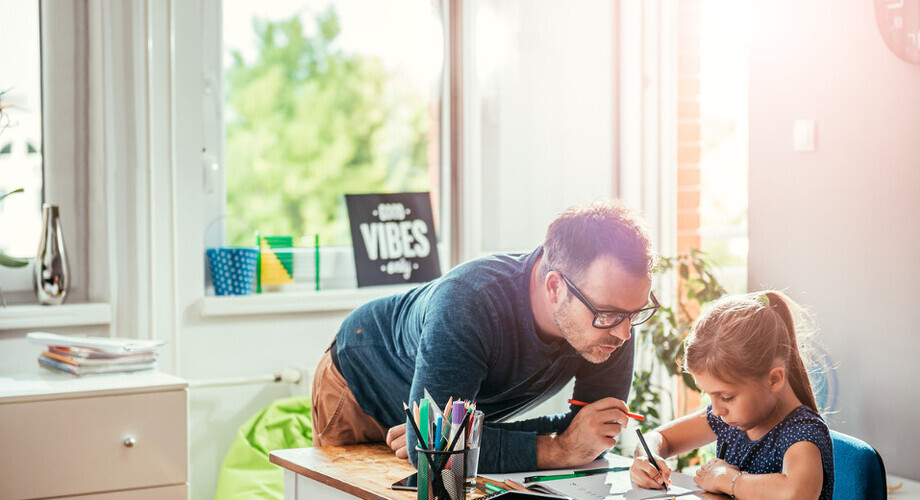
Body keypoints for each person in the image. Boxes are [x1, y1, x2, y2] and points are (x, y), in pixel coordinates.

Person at [311, 199, 660, 473]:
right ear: (555, 287)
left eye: (635, 313)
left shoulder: (611, 319)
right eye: (609, 315)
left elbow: (591, 433)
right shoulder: (469, 303)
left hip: (453, 410)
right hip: (361, 383)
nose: (624, 333)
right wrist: (559, 449)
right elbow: (436, 453)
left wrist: (445, 439)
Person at [629, 291, 834, 500]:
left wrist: (726, 478)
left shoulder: (802, 432)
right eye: (710, 396)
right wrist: (648, 457)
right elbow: (660, 438)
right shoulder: (729, 419)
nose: (716, 410)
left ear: (773, 379)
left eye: (726, 397)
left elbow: (796, 493)